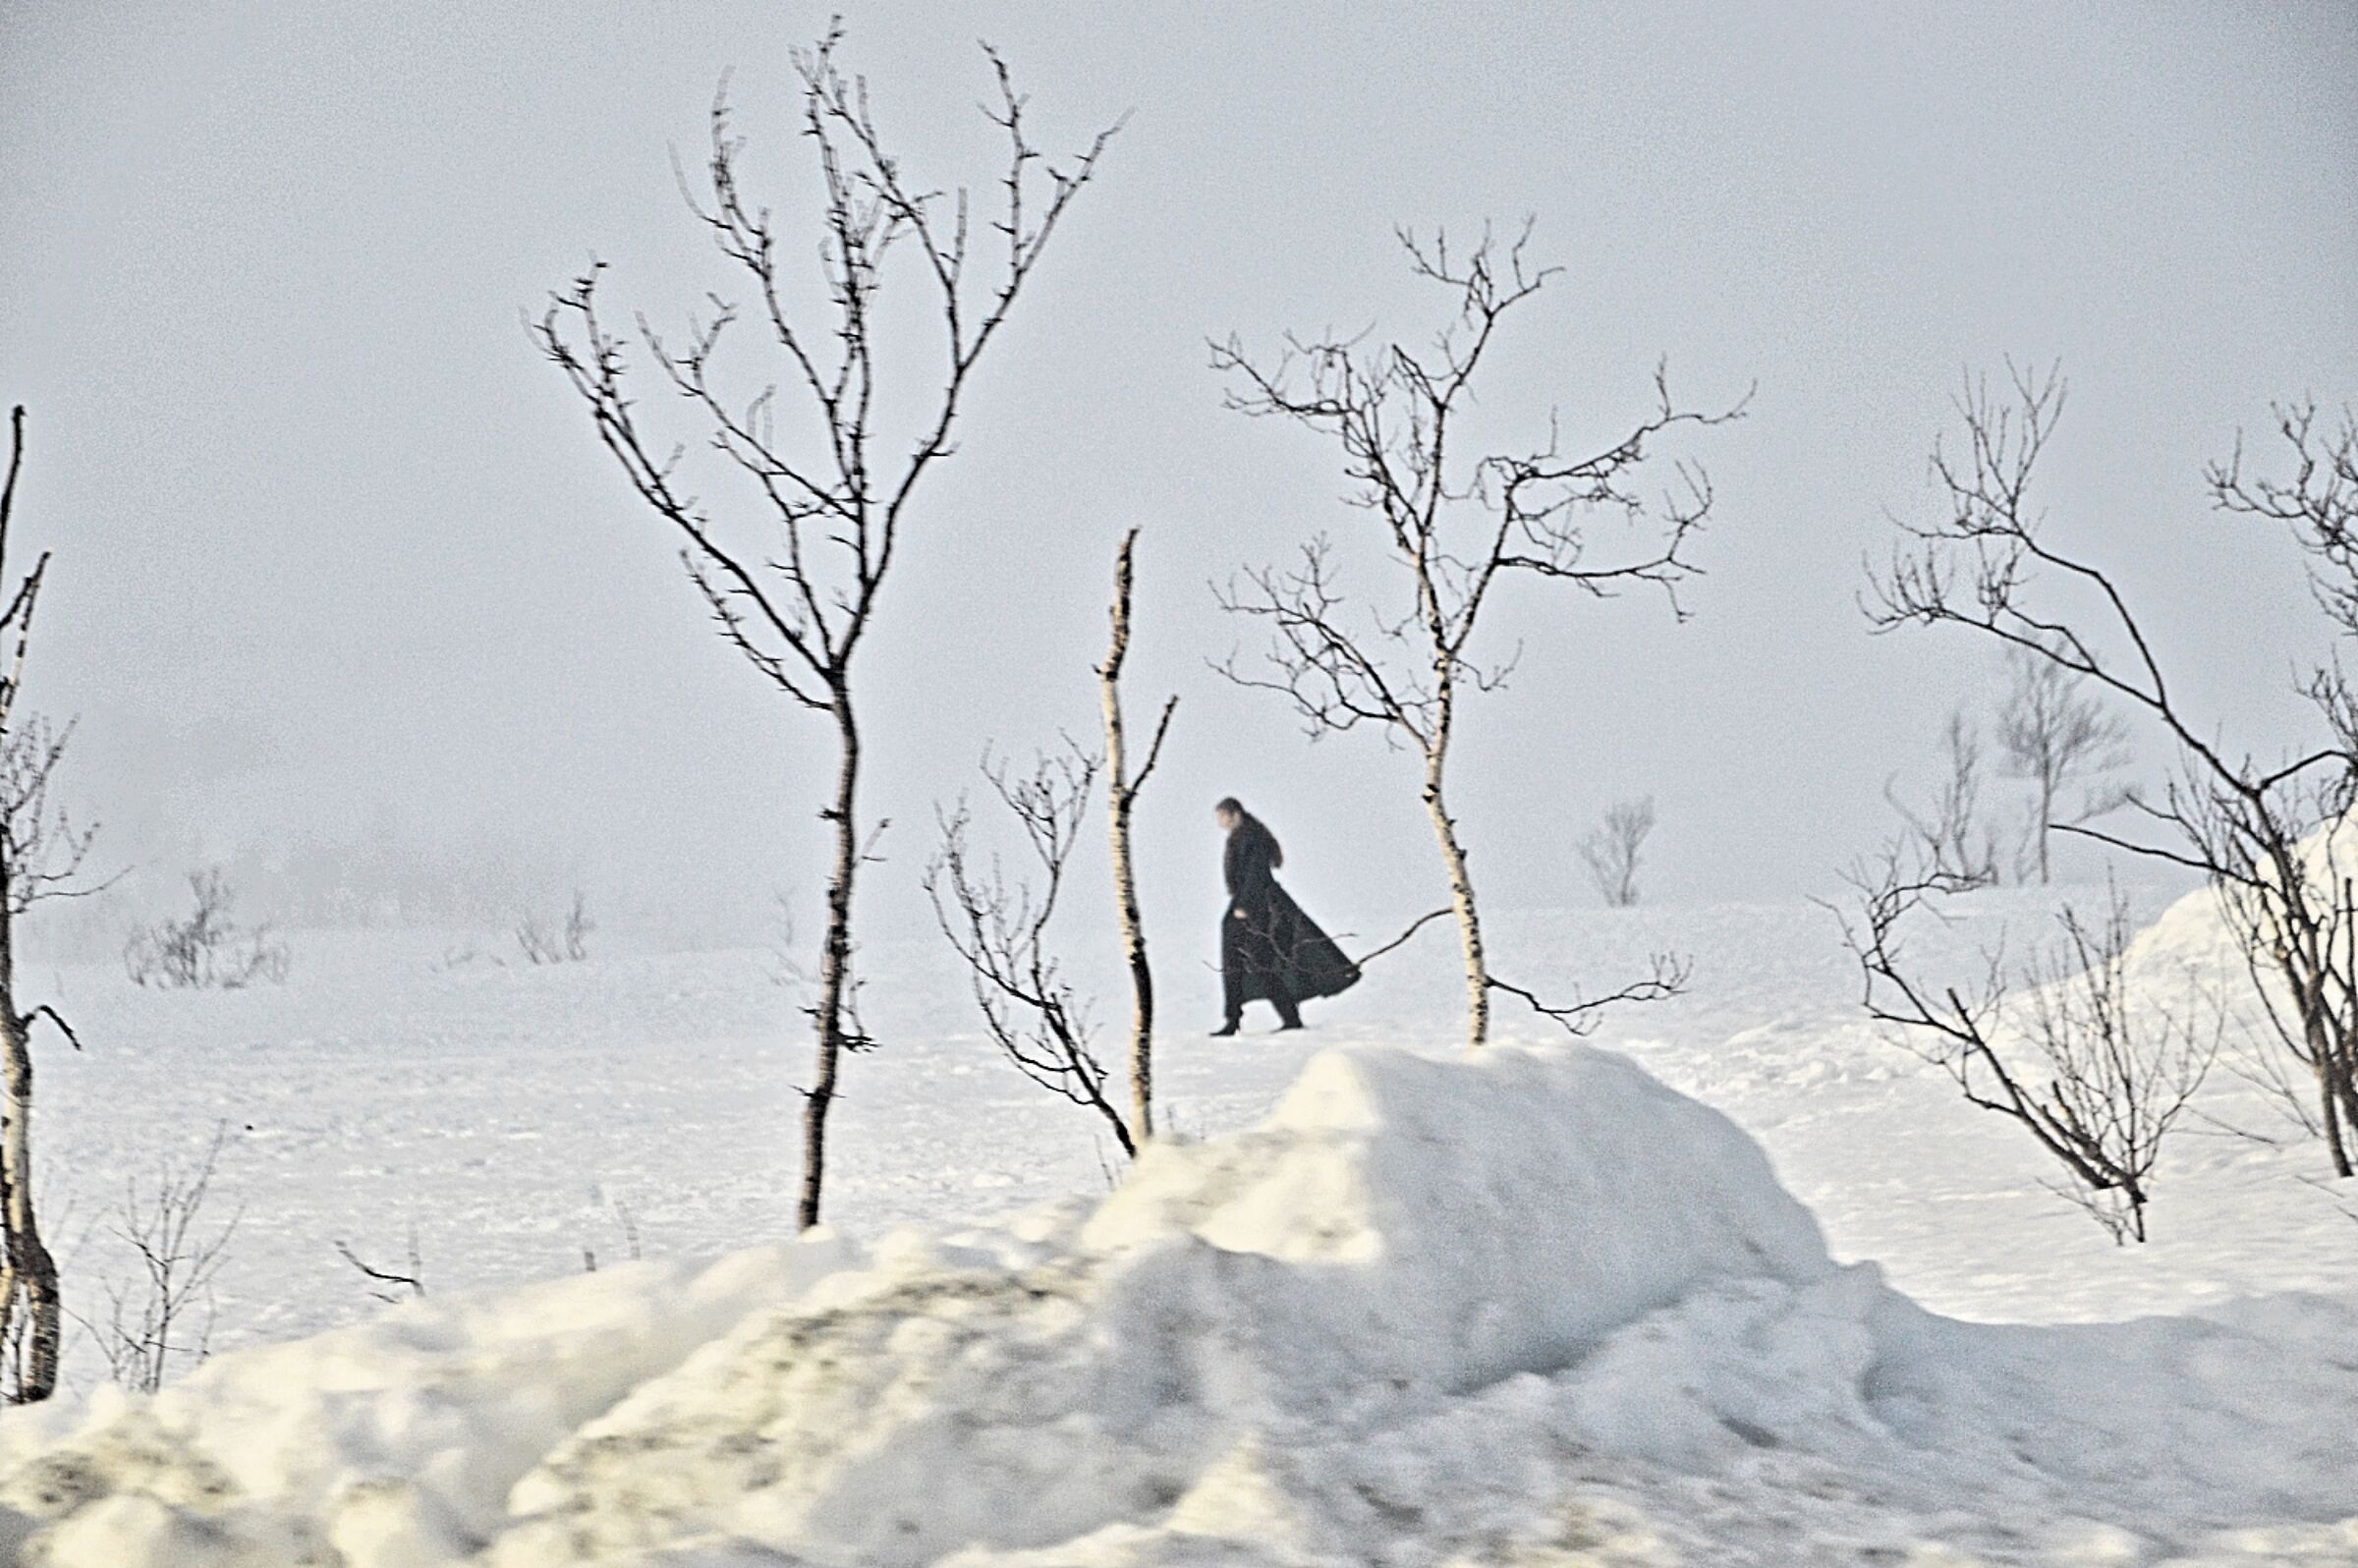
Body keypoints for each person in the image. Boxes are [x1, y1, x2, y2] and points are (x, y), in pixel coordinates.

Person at [1212, 797, 1360, 1035]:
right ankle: (1236, 1019)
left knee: (1259, 963)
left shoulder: (1251, 836)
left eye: (1222, 817)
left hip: (1258, 908)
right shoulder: (1242, 836)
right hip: (1249, 905)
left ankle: (1277, 1018)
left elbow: (1257, 873)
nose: (1220, 823)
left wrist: (1244, 906)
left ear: (1234, 814)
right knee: (1241, 963)